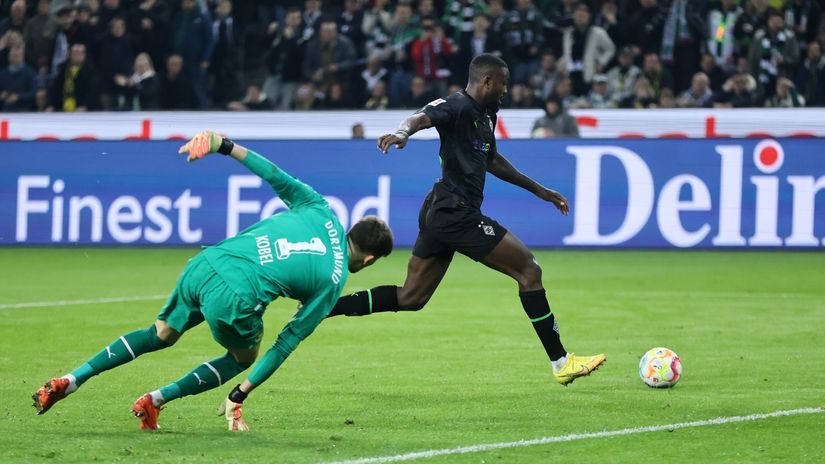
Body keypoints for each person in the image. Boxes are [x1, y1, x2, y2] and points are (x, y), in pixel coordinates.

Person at [33, 131, 394, 430]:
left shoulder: (319, 207)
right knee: (242, 356)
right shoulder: (334, 280)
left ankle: (72, 379)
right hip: (235, 297)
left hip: (208, 261)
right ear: (371, 258)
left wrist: (224, 145)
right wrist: (240, 394)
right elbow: (285, 344)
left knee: (161, 332)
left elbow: (274, 175)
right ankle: (155, 400)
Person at [326, 53, 605, 386]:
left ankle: (324, 308)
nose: (506, 90)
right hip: (454, 212)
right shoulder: (456, 105)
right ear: (487, 80)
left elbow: (492, 160)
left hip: (440, 211)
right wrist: (402, 133)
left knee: (411, 297)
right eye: (503, 84)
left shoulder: (485, 114)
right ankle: (561, 362)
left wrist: (539, 191)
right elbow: (420, 118)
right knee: (529, 270)